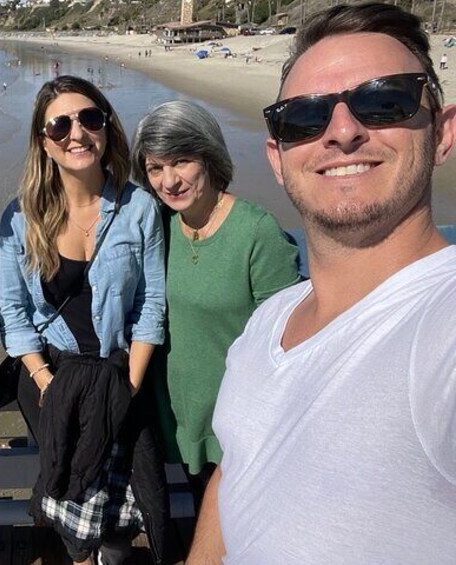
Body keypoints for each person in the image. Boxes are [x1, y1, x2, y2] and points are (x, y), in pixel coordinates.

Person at [189, 3, 456, 563]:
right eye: (304, 117)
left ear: (442, 132)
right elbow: (237, 471)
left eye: (384, 101)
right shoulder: (269, 320)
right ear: (278, 158)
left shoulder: (442, 324)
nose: (342, 132)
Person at [0, 75, 172, 564]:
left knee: (122, 511)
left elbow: (151, 304)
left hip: (121, 371)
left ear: (106, 127)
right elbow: (13, 313)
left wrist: (130, 384)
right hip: (53, 377)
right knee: (72, 499)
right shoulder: (20, 218)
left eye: (89, 118)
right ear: (44, 142)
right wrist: (46, 381)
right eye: (60, 125)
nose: (77, 133)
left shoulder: (139, 208)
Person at [130, 100, 301, 513]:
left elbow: (289, 343)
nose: (169, 181)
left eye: (182, 161)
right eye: (155, 168)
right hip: (181, 418)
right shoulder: (157, 227)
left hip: (240, 425)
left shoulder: (256, 232)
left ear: (208, 156)